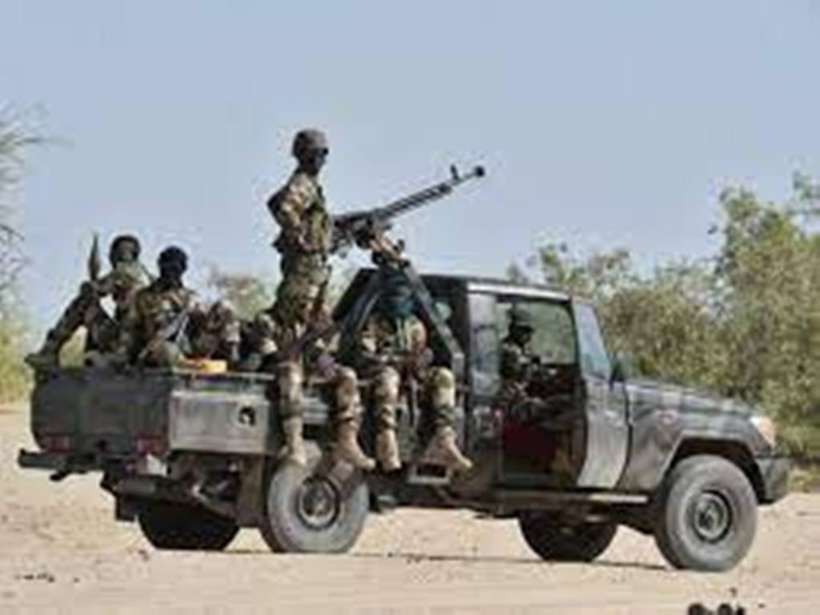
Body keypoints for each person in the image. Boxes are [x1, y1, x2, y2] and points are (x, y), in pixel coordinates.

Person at [353, 269, 472, 473]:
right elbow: (366, 355)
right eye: (394, 296)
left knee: (444, 376)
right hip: (385, 373)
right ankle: (386, 439)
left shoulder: (416, 325)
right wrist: (393, 360)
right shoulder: (374, 323)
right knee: (388, 378)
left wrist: (423, 359)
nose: (398, 302)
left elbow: (422, 351)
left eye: (403, 296)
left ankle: (445, 439)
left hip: (413, 375)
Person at [26, 234, 151, 368]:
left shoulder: (124, 271)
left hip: (123, 346)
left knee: (85, 303)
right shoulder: (147, 276)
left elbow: (94, 289)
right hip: (140, 346)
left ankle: (50, 351)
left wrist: (90, 284)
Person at [267, 128, 334, 342]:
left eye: (322, 154)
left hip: (309, 265)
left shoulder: (309, 184)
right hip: (304, 265)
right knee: (291, 317)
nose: (320, 159)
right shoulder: (303, 183)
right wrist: (300, 237)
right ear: (302, 156)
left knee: (313, 322)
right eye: (314, 154)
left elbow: (274, 202)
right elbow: (285, 209)